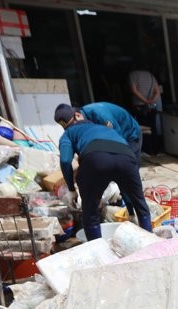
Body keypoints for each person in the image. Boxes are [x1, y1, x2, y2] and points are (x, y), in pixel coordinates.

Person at [54, 103, 152, 240]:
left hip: (95, 160)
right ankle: (151, 246)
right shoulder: (102, 126)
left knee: (90, 212)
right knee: (140, 204)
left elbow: (65, 161)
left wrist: (71, 189)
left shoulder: (68, 134)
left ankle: (98, 253)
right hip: (127, 157)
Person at [128, 68, 162, 154]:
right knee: (153, 128)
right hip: (151, 106)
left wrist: (145, 101)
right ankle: (156, 150)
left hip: (140, 107)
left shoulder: (132, 74)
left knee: (143, 128)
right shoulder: (151, 75)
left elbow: (134, 90)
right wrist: (151, 101)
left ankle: (147, 151)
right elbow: (157, 91)